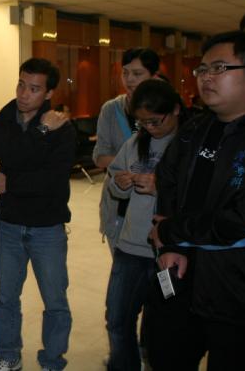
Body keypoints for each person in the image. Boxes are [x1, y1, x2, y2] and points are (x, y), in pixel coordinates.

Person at [146, 31, 245, 370]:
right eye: (203, 69)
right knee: (165, 354)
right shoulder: (195, 129)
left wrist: (171, 232)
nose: (207, 77)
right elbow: (167, 180)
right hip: (179, 275)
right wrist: (170, 245)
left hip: (237, 288)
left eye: (220, 68)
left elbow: (243, 220)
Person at [0, 58, 76, 371]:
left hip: (47, 228)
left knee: (55, 300)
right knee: (6, 297)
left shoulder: (63, 128)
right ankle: (7, 356)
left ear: (49, 93)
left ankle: (52, 360)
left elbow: (53, 180)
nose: (24, 94)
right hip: (9, 225)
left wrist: (12, 183)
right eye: (21, 85)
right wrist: (40, 131)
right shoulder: (3, 119)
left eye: (35, 89)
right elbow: (9, 155)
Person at [104, 80, 185, 371]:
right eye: (142, 122)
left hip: (170, 250)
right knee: (117, 319)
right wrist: (121, 183)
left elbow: (200, 197)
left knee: (161, 327)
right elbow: (115, 181)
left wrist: (160, 187)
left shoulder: (189, 143)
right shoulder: (136, 143)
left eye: (155, 121)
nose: (149, 128)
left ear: (175, 109)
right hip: (131, 246)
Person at [93, 48, 160, 256]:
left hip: (154, 209)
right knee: (122, 269)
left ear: (154, 76)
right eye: (125, 72)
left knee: (160, 272)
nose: (129, 79)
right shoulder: (111, 109)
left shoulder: (166, 109)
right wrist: (135, 166)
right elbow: (100, 157)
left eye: (137, 74)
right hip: (118, 208)